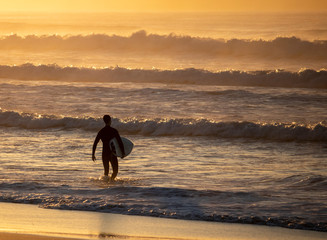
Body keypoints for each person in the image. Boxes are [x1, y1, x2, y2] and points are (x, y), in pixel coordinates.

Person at [92, 115, 125, 181]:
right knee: (115, 171)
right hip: (112, 153)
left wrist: (93, 154)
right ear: (110, 120)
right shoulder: (114, 131)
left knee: (106, 172)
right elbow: (119, 142)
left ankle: (107, 186)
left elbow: (95, 143)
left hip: (104, 153)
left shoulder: (101, 131)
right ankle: (112, 182)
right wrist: (123, 153)